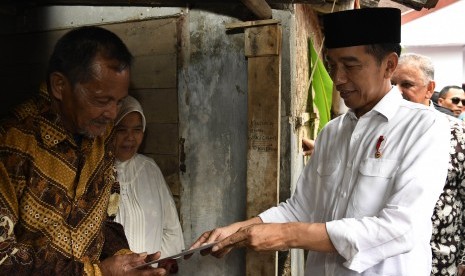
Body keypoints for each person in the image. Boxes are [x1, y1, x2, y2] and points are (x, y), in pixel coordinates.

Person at [190, 8, 450, 275]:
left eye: (350, 66)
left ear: (389, 65)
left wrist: (288, 235)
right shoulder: (332, 132)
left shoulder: (424, 127)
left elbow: (400, 228)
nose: (338, 79)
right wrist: (239, 230)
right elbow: (302, 207)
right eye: (332, 65)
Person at [0, 26, 166, 275]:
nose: (112, 114)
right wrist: (96, 272)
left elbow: (104, 219)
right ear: (59, 85)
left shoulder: (101, 134)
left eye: (119, 101)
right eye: (101, 100)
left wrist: (124, 258)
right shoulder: (13, 142)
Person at [391, 52, 465, 276]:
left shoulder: (456, 134)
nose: (397, 92)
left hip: (441, 261)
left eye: (407, 84)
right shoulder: (379, 130)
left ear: (430, 88)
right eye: (392, 84)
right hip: (389, 259)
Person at [114, 95, 185, 273]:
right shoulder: (96, 172)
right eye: (122, 130)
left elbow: (172, 231)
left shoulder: (150, 169)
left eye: (137, 130)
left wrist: (152, 265)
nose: (130, 137)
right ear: (109, 131)